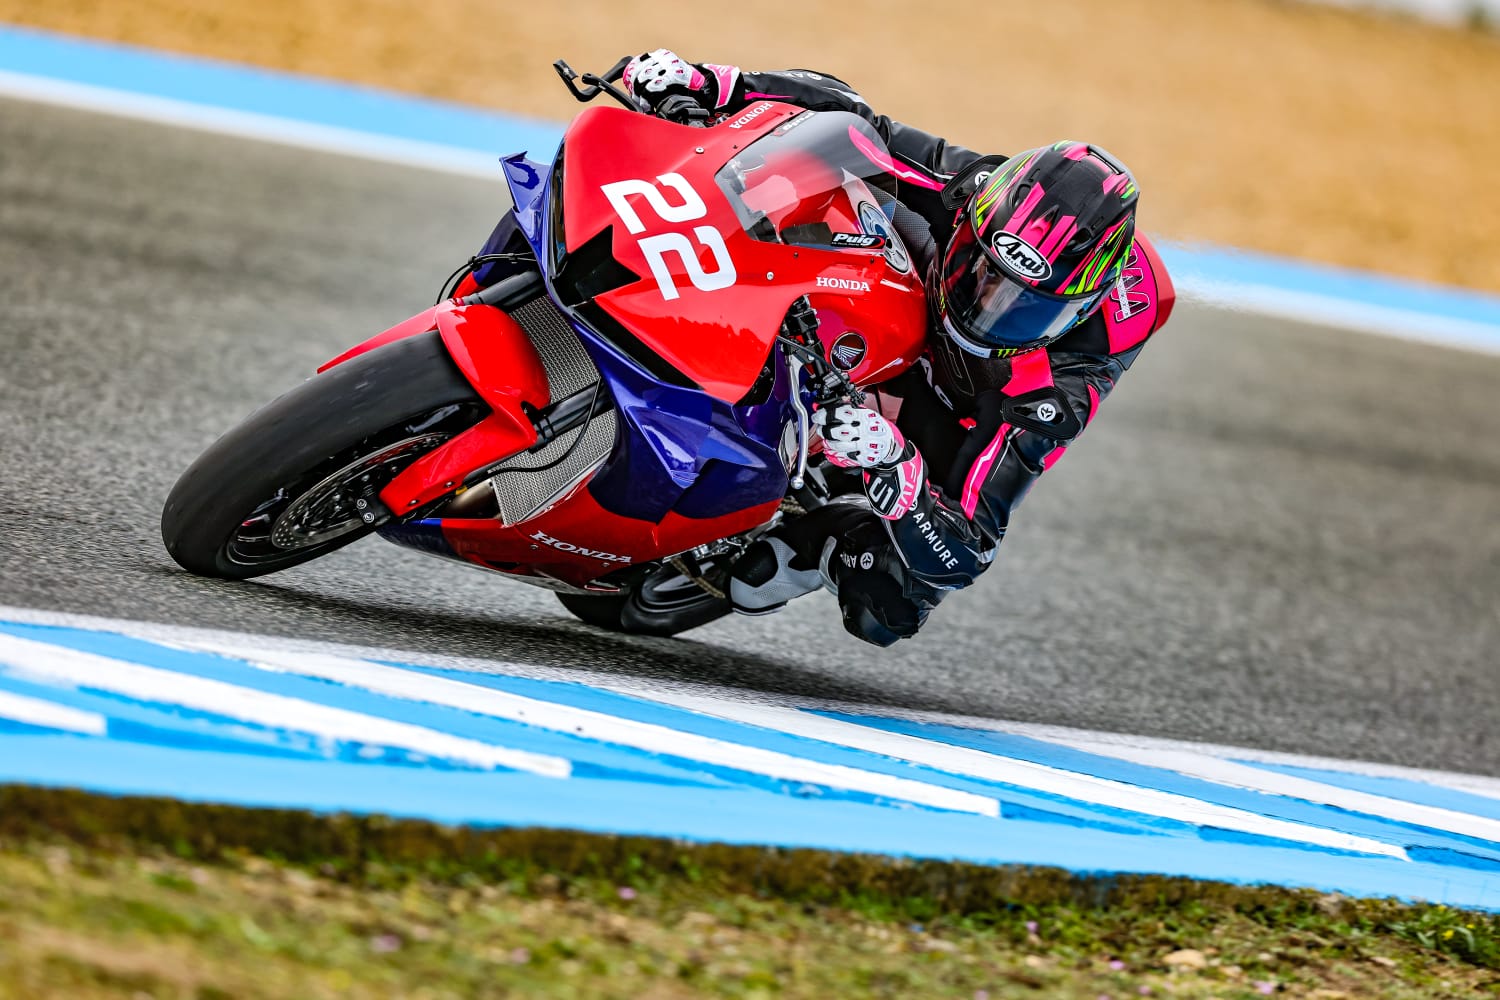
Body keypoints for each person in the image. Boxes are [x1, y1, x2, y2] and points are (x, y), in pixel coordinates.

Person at [619, 50, 1175, 647]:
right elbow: (857, 125)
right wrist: (713, 84)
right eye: (984, 272)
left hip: (971, 399)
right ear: (976, 221)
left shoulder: (1062, 388)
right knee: (821, 175)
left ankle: (816, 542)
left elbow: (968, 549)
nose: (988, 306)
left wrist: (896, 466)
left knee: (893, 601)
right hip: (920, 279)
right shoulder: (976, 191)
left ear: (1080, 311)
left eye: (1026, 307)